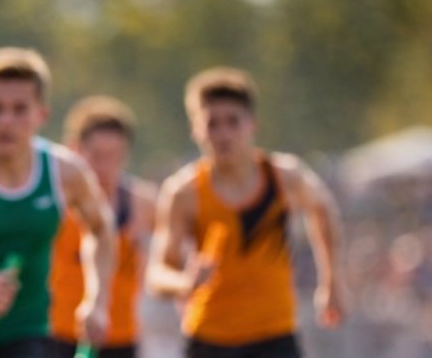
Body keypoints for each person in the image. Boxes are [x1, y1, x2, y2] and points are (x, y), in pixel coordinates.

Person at [0, 47, 117, 357]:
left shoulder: (66, 172)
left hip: (27, 332)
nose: (6, 121)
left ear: (42, 114)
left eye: (20, 109)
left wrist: (97, 300)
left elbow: (101, 229)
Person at [147, 67, 344, 358]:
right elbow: (157, 273)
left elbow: (323, 209)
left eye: (233, 121)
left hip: (275, 334)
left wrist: (331, 283)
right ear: (195, 129)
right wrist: (185, 282)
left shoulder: (284, 177)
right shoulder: (183, 193)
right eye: (212, 124)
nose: (223, 134)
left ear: (252, 124)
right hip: (209, 338)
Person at [49, 95, 156, 358]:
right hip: (59, 334)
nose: (105, 167)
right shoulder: (56, 203)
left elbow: (168, 260)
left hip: (121, 336)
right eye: (96, 156)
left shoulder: (144, 203)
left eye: (114, 156)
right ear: (74, 150)